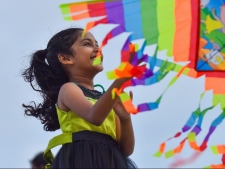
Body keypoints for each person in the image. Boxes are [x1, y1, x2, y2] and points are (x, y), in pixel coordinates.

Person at [22, 27, 138, 168]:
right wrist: (123, 77)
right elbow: (94, 116)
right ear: (66, 58)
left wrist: (125, 119)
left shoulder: (107, 100)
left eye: (97, 44)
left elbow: (126, 150)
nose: (97, 49)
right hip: (80, 160)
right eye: (87, 44)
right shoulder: (69, 89)